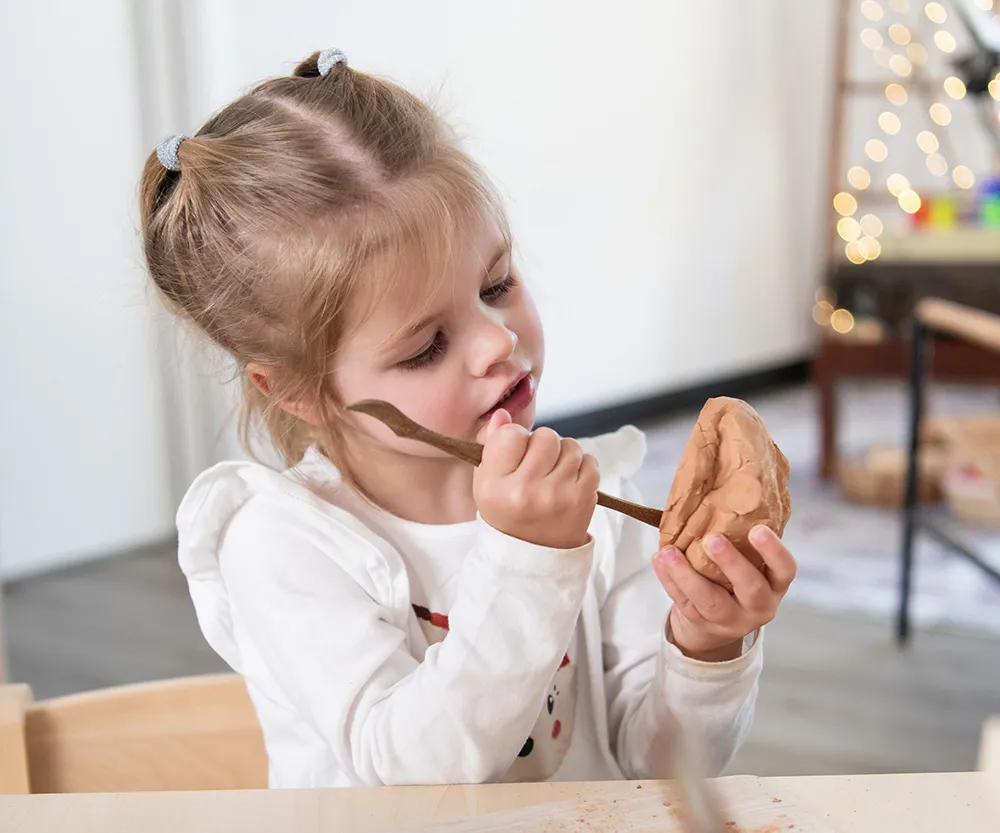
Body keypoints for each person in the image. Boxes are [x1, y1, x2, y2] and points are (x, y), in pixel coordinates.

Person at [139, 47, 797, 789]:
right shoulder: (282, 542)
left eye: (498, 283)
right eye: (426, 347)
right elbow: (413, 772)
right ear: (299, 391)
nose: (498, 341)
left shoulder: (591, 493)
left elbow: (661, 766)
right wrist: (528, 557)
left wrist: (704, 644)